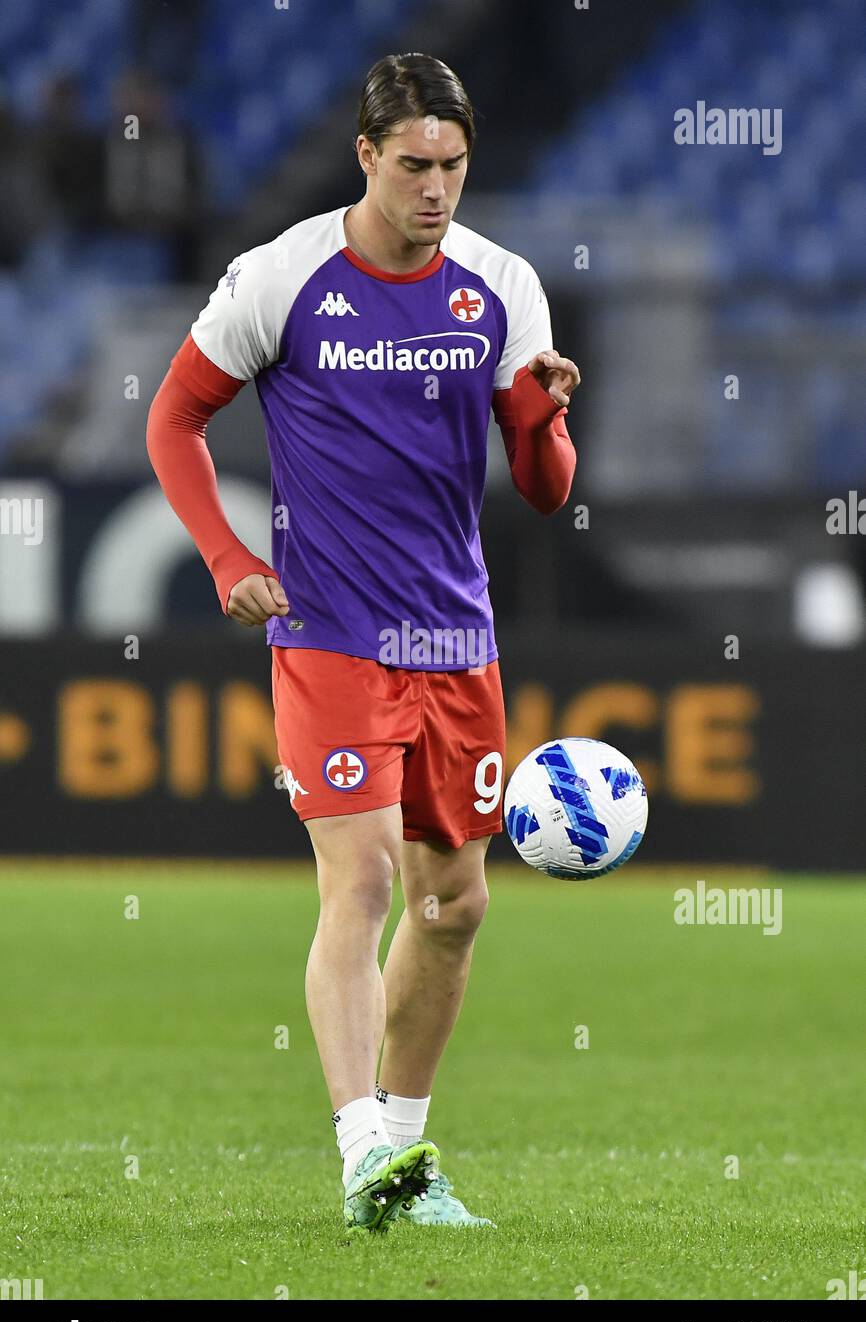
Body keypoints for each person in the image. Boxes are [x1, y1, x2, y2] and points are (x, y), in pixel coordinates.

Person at [147, 52, 578, 1232]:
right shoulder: (282, 276)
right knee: (366, 876)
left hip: (458, 635)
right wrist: (232, 561)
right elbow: (174, 417)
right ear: (364, 156)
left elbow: (543, 487)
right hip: (330, 629)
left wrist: (540, 416)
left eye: (452, 167)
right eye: (411, 166)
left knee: (455, 902)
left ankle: (401, 1155)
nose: (434, 190)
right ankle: (356, 1155)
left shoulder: (500, 288)